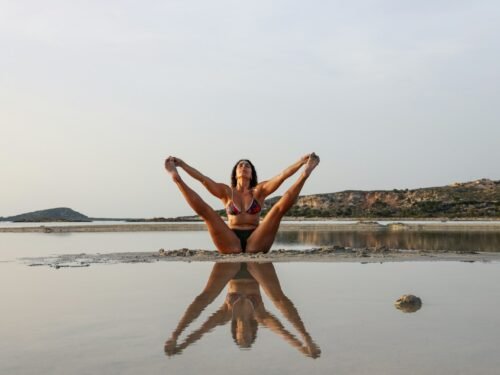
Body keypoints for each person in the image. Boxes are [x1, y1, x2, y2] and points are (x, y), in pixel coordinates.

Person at [164, 153, 320, 254]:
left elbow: (282, 176)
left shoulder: (260, 190)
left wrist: (301, 162)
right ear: (235, 173)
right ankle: (177, 180)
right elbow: (203, 179)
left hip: (257, 240)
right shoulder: (226, 192)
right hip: (230, 240)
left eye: (247, 166)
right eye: (240, 165)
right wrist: (182, 165)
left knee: (278, 209)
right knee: (207, 213)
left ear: (251, 173)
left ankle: (304, 176)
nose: (244, 167)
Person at [164, 262, 321, 358]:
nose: (245, 336)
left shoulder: (225, 315)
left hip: (231, 270)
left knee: (204, 298)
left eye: (241, 339)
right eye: (248, 339)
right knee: (279, 299)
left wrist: (177, 339)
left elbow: (201, 331)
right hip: (256, 269)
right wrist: (304, 344)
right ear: (253, 334)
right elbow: (283, 333)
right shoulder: (260, 316)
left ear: (235, 333)